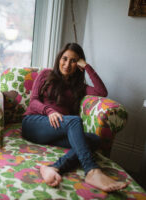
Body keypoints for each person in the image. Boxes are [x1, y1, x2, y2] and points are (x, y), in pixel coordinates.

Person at [22, 43, 128, 192]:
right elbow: (33, 101)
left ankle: (53, 168)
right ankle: (92, 170)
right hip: (34, 124)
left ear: (78, 64)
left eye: (73, 61)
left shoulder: (79, 87)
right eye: (64, 58)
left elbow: (101, 91)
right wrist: (49, 111)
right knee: (74, 121)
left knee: (94, 139)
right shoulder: (46, 74)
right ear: (59, 58)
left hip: (58, 129)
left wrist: (87, 67)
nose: (67, 64)